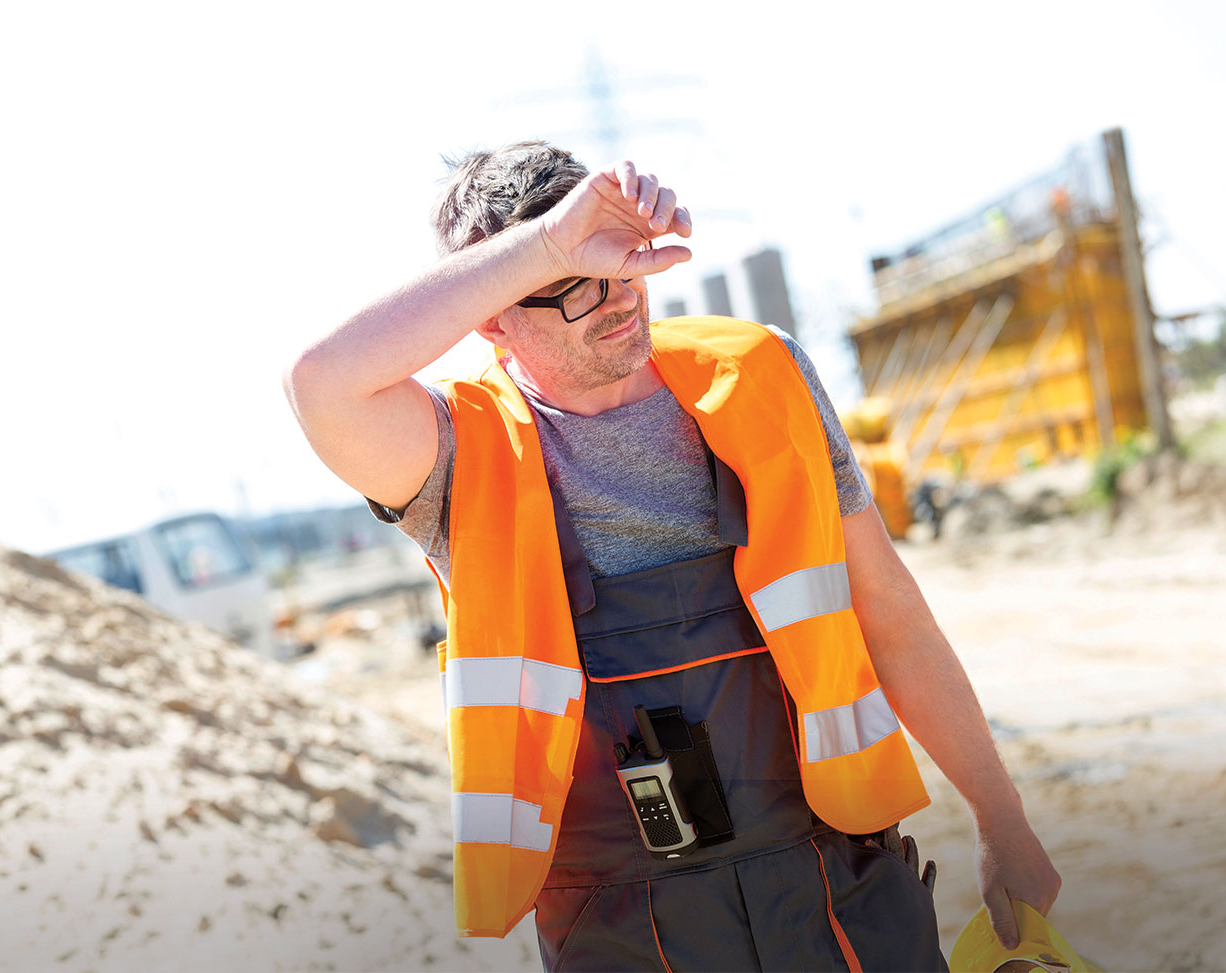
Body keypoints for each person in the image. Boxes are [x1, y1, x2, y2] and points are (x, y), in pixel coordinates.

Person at [283, 141, 1060, 971]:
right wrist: (549, 243)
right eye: (572, 281)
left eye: (619, 259)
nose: (616, 295)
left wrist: (1001, 817)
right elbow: (321, 384)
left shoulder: (762, 377)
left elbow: (890, 616)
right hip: (622, 931)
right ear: (493, 312)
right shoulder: (458, 456)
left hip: (837, 890)